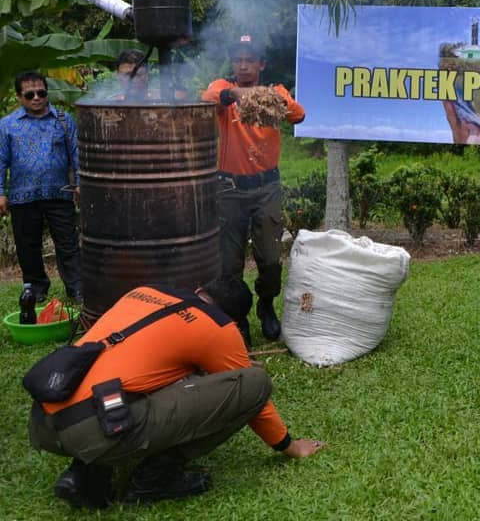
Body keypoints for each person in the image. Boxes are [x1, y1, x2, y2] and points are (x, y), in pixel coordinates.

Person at [28, 279, 324, 508]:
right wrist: (289, 446)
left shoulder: (144, 291)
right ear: (235, 322)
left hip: (46, 417)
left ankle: (86, 473)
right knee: (255, 382)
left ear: (198, 289)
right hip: (92, 428)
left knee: (127, 379)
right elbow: (251, 395)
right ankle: (154, 479)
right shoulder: (220, 328)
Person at [201, 35, 305, 345]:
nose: (243, 65)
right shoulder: (223, 90)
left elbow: (298, 114)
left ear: (261, 64)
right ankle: (237, 318)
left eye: (249, 60)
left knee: (271, 258)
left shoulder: (275, 92)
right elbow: (208, 99)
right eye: (238, 60)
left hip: (266, 188)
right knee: (228, 262)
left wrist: (269, 98)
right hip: (229, 189)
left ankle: (266, 305)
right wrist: (236, 93)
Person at [0, 71, 81, 302]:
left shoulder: (64, 120)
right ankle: (36, 289)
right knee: (28, 246)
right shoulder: (7, 125)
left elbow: (76, 154)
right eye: (30, 94)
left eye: (41, 92)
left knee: (68, 243)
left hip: (60, 194)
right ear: (19, 97)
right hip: (22, 196)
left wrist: (79, 184)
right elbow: (1, 160)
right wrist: (1, 193)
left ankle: (76, 288)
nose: (36, 97)